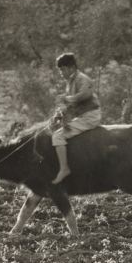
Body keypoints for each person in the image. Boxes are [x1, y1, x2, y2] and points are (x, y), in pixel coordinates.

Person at [50, 52, 102, 184]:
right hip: (83, 115)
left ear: (71, 67)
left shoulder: (82, 79)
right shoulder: (71, 81)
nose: (61, 73)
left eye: (62, 69)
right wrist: (58, 114)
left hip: (90, 116)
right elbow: (70, 104)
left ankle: (64, 169)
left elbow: (85, 94)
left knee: (58, 136)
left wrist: (66, 98)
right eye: (60, 69)